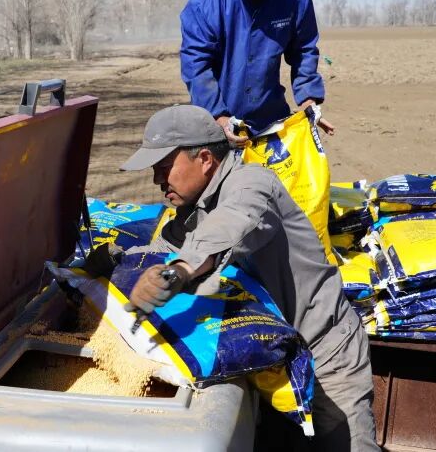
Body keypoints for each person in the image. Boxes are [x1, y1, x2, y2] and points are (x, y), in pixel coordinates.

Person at [120, 104, 378, 451]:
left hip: (326, 357)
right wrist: (114, 265)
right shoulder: (193, 208)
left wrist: (177, 271)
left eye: (164, 168)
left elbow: (228, 225)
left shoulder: (252, 184)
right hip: (273, 360)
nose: (157, 180)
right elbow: (161, 249)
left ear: (205, 159)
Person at [180, 0, 334, 148]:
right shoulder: (204, 5)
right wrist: (218, 117)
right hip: (218, 124)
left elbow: (304, 52)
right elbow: (196, 66)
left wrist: (308, 100)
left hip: (270, 123)